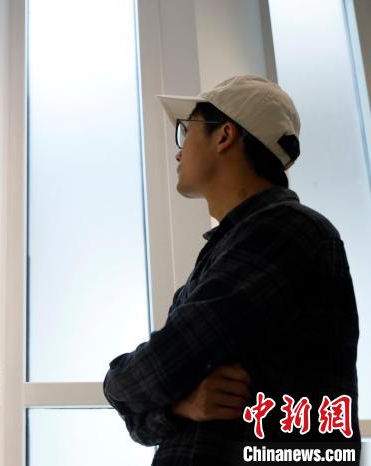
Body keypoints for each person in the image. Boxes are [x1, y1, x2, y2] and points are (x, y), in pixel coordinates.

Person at [103, 75, 360, 465]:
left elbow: (167, 359)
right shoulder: (236, 244)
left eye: (185, 132)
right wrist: (175, 408)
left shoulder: (284, 231)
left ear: (224, 136)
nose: (178, 152)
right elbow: (163, 384)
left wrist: (119, 384)